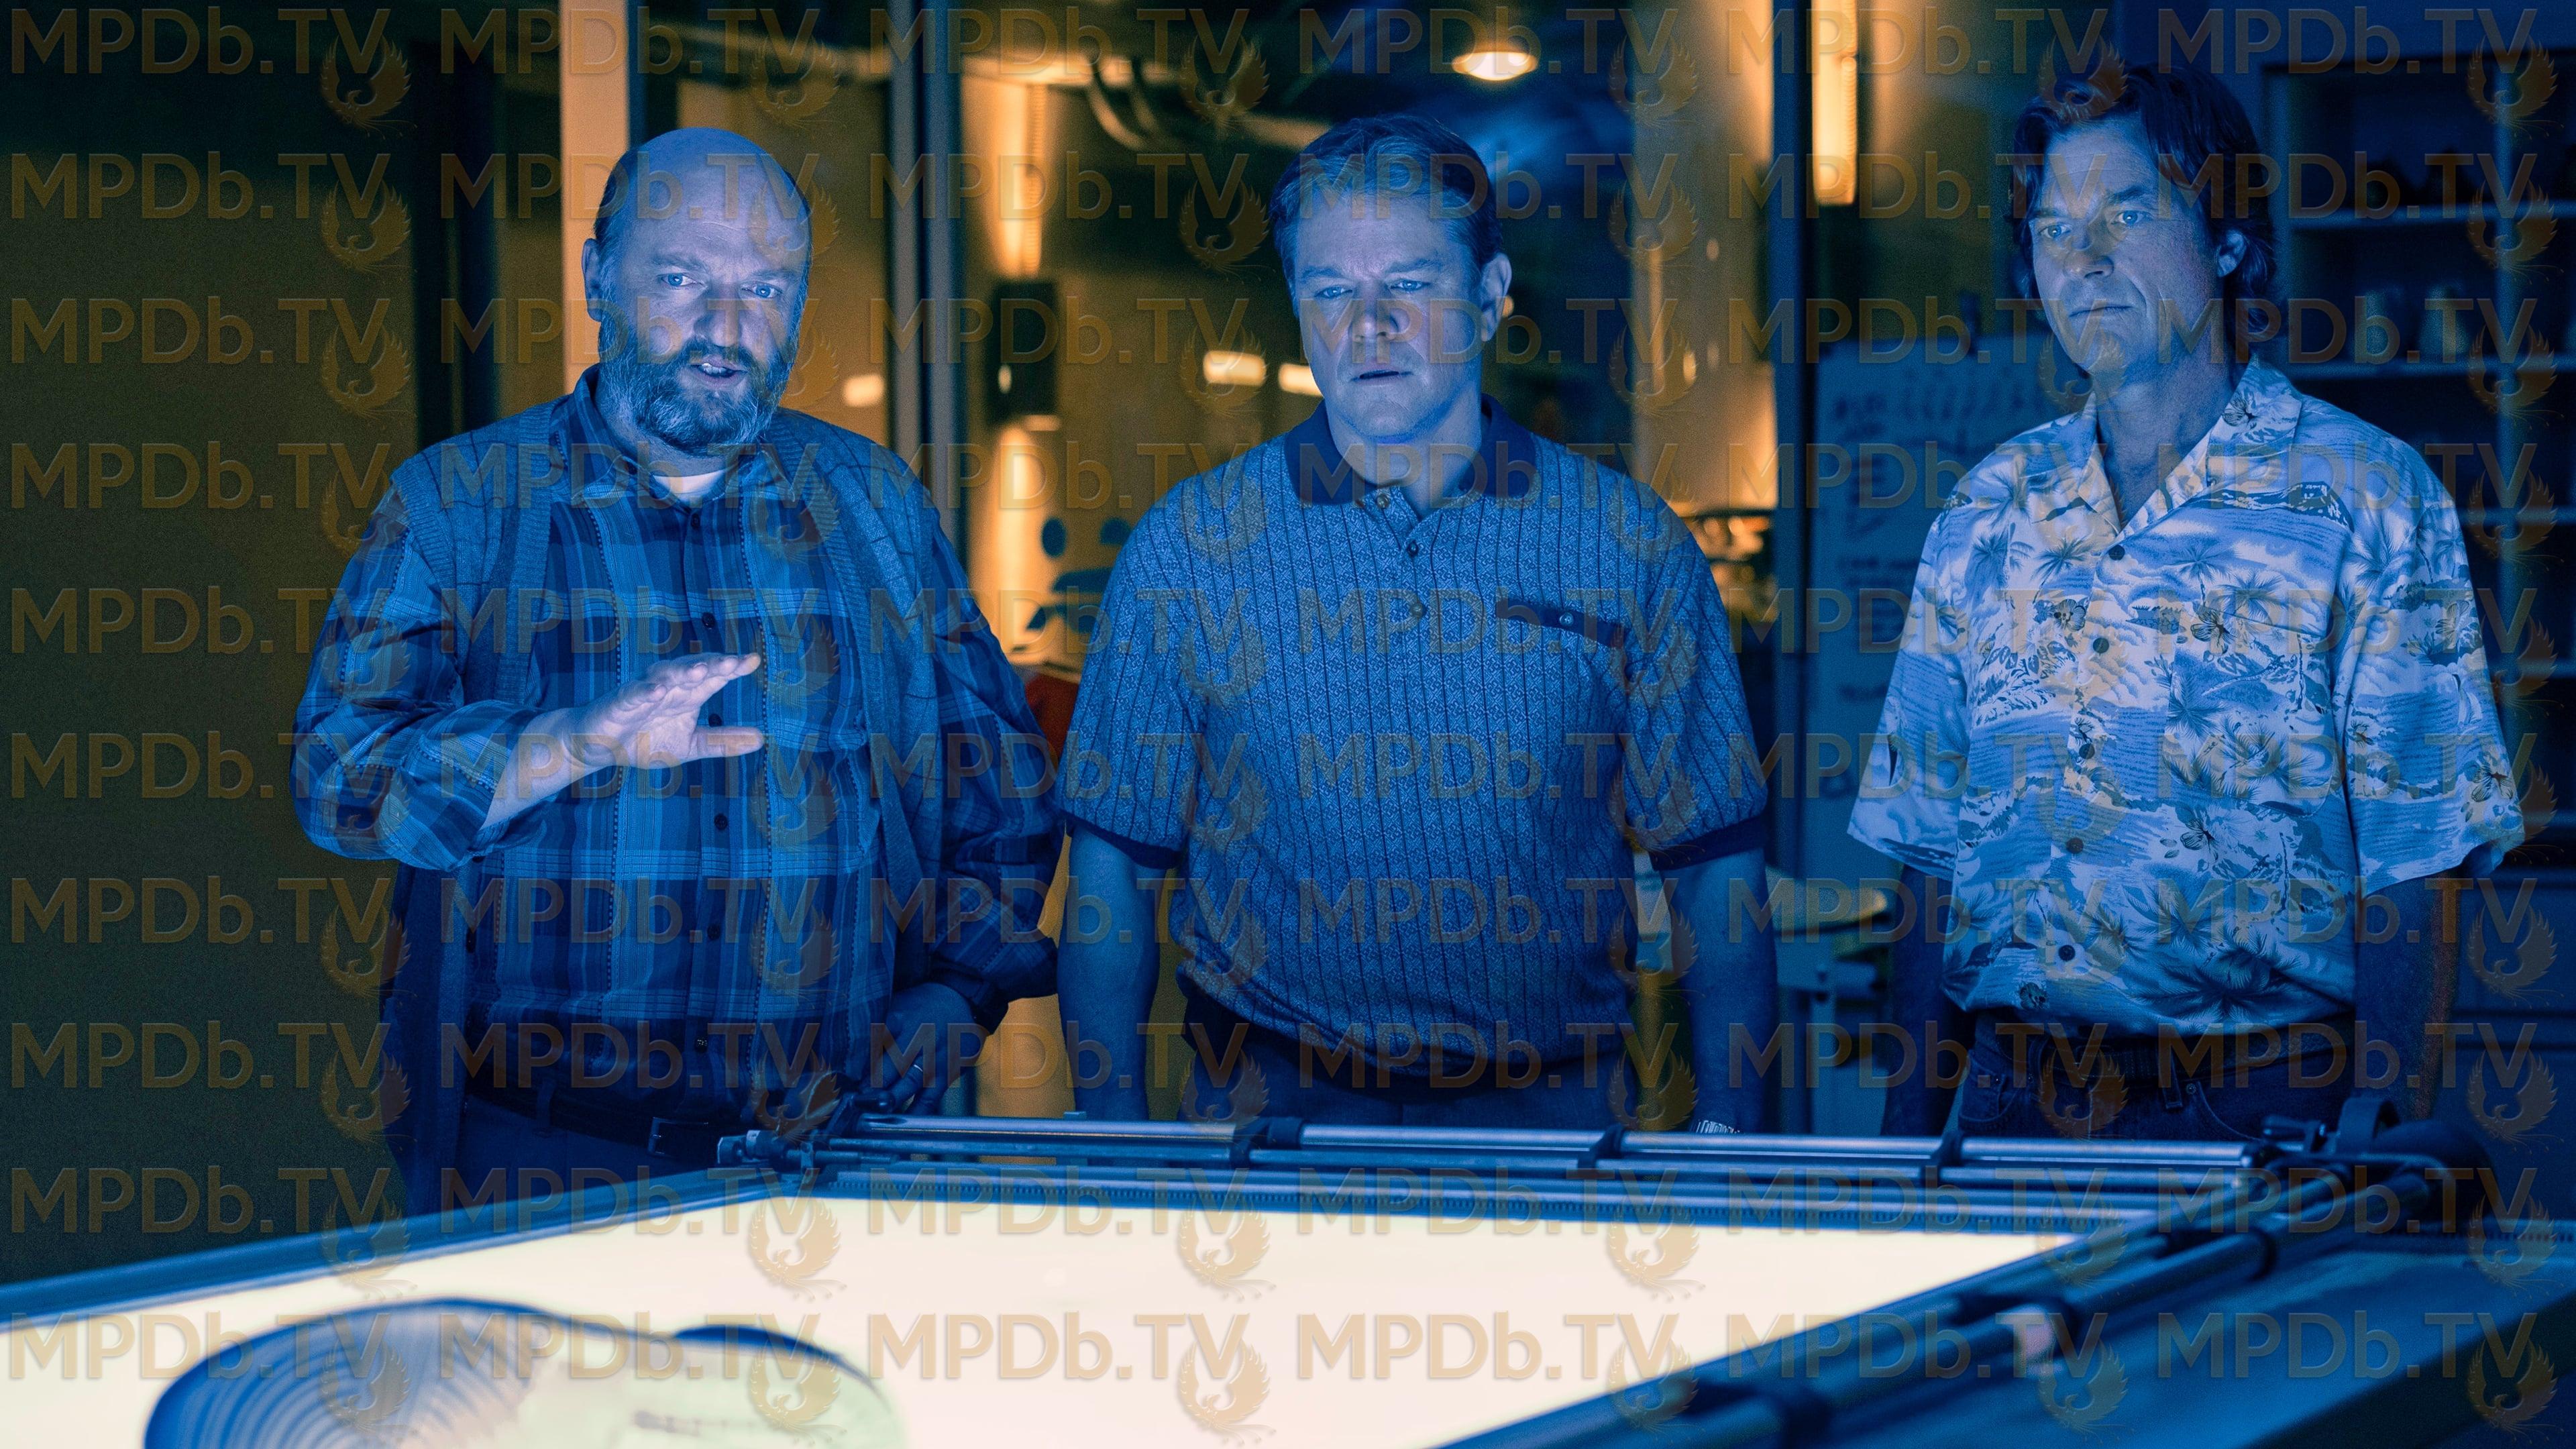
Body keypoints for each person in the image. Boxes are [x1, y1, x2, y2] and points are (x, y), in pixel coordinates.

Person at [293, 129, 1056, 1212]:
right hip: (545, 1156)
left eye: (766, 289)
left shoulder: (874, 504)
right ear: (599, 278)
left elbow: (1001, 790)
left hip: (831, 1155)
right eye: (682, 278)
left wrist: (959, 992)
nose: (726, 329)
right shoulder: (459, 503)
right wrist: (568, 743)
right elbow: (340, 777)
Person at [1849, 60, 2525, 1142]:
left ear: (2227, 241)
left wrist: (2379, 1133)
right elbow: (1927, 849)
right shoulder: (1985, 511)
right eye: (2054, 228)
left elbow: (2417, 857)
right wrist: (1908, 1144)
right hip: (2012, 1111)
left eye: (2128, 214)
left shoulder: (2368, 497)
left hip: (2261, 1103)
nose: (2085, 258)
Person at [1056, 115, 1774, 1130]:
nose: (1370, 324)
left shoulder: (1627, 546)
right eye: (1331, 290)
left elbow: (1715, 873)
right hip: (1269, 1118)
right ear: (1298, 307)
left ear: (1488, 296)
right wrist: (1111, 1142)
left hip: (1552, 1115)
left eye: (1411, 283)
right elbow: (1112, 873)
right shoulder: (1189, 550)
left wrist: (1728, 1143)